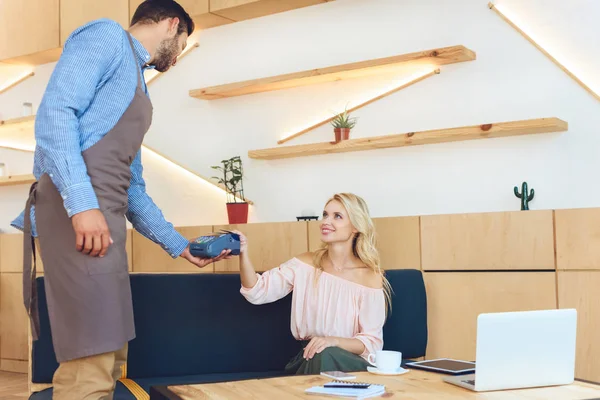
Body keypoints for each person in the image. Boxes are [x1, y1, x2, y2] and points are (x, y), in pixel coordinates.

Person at [10, 1, 229, 398]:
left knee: (109, 348)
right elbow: (55, 115)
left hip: (104, 216)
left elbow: (132, 186)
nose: (178, 56)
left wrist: (178, 245)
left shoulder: (137, 86)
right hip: (76, 210)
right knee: (89, 351)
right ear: (171, 24)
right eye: (181, 43)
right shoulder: (107, 37)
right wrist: (82, 205)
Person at [235, 193, 392, 374]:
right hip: (308, 357)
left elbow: (372, 343)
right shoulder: (305, 264)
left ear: (356, 226)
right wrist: (243, 252)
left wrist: (333, 341)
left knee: (325, 354)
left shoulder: (369, 277)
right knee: (320, 355)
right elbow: (257, 291)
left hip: (350, 363)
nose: (326, 221)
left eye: (337, 216)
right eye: (325, 214)